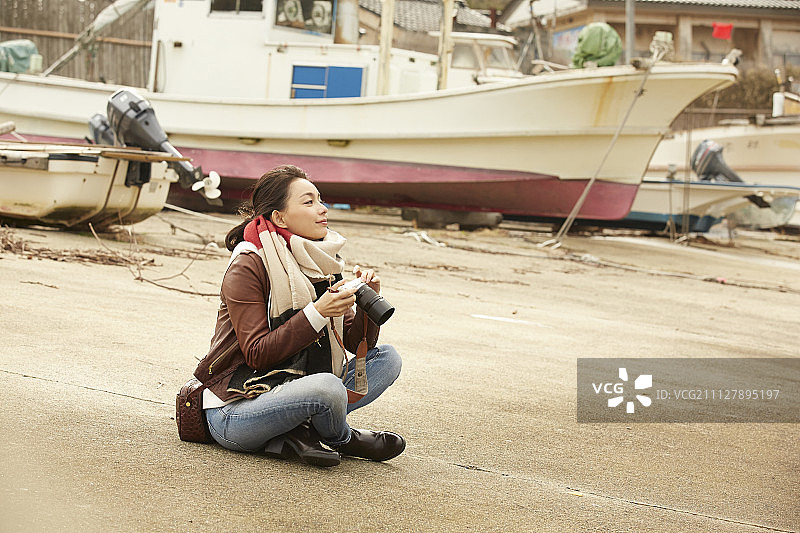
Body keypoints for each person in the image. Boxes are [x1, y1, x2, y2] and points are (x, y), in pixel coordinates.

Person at [193, 164, 404, 467]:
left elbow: (356, 344)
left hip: (296, 392)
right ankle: (342, 438)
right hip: (237, 407)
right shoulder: (249, 263)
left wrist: (367, 304)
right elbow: (257, 354)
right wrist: (317, 313)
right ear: (280, 217)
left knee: (388, 359)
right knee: (327, 387)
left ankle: (300, 431)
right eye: (309, 202)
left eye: (320, 199)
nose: (323, 208)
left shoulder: (319, 261)